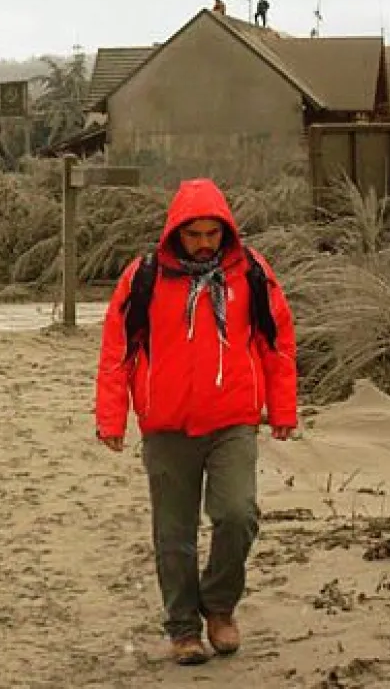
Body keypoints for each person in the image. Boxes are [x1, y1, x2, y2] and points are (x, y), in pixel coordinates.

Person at [94, 178, 297, 666]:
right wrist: (112, 417)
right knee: (174, 536)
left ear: (225, 230)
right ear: (176, 233)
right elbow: (117, 350)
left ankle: (220, 606)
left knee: (238, 515)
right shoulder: (142, 277)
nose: (204, 243)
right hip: (165, 428)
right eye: (194, 234)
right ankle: (184, 629)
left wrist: (283, 407)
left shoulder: (251, 272)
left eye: (212, 233)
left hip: (232, 422)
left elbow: (277, 341)